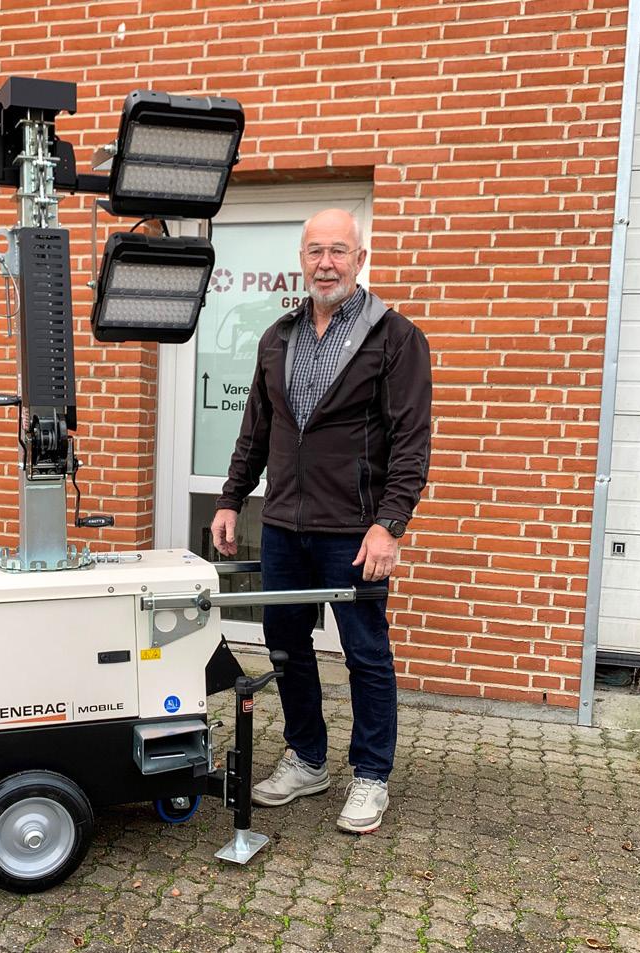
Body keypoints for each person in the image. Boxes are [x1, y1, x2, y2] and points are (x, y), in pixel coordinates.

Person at [210, 208, 431, 834]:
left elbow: (411, 443)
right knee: (285, 644)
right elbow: (257, 429)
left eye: (338, 250)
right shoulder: (278, 336)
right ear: (302, 260)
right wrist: (231, 498)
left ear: (360, 259)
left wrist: (389, 524)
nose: (326, 263)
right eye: (315, 251)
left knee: (365, 652)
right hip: (284, 524)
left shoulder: (395, 338)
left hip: (354, 530)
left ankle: (371, 775)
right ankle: (308, 759)